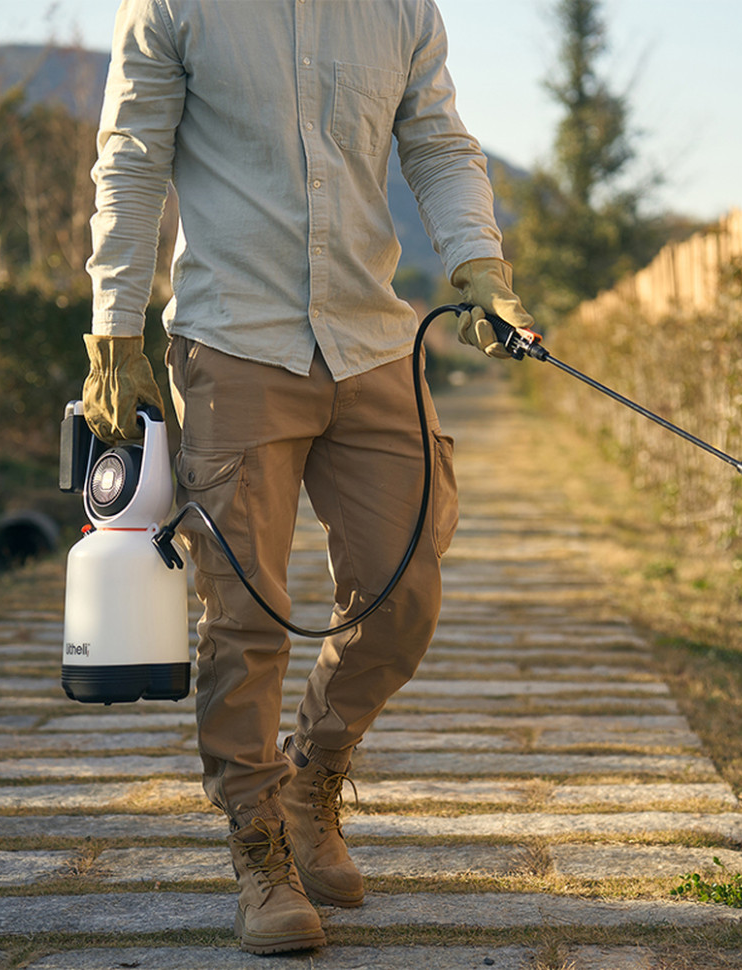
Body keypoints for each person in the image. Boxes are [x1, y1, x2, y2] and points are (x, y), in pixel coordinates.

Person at [82, 0, 534, 955]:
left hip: (371, 337)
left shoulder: (402, 8)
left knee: (405, 583)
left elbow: (441, 145)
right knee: (244, 611)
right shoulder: (173, 7)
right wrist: (115, 325)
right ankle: (257, 848)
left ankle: (312, 780)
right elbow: (131, 157)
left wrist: (480, 265)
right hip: (233, 341)